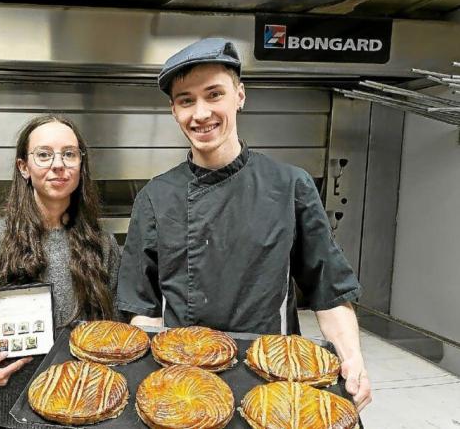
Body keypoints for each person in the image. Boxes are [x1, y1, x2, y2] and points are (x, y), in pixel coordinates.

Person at [116, 38, 372, 410]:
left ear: (239, 95)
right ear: (174, 110)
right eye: (186, 100)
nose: (200, 113)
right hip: (186, 378)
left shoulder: (290, 185)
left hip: (272, 373)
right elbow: (143, 309)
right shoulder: (156, 197)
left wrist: (353, 359)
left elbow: (329, 290)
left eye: (213, 94)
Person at [0, 115, 121, 428]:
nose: (58, 165)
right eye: (44, 154)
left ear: (80, 166)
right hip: (2, 416)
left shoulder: (103, 245)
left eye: (70, 154)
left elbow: (119, 329)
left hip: (81, 415)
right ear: (24, 167)